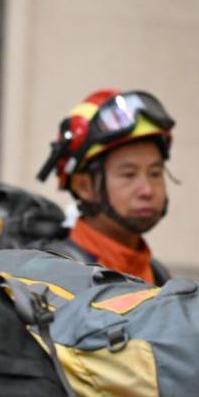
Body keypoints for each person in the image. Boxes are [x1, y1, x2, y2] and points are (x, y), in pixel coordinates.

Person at [37, 89, 174, 285]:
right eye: (129, 174)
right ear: (84, 186)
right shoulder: (54, 276)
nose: (148, 191)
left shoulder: (158, 274)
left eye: (155, 173)